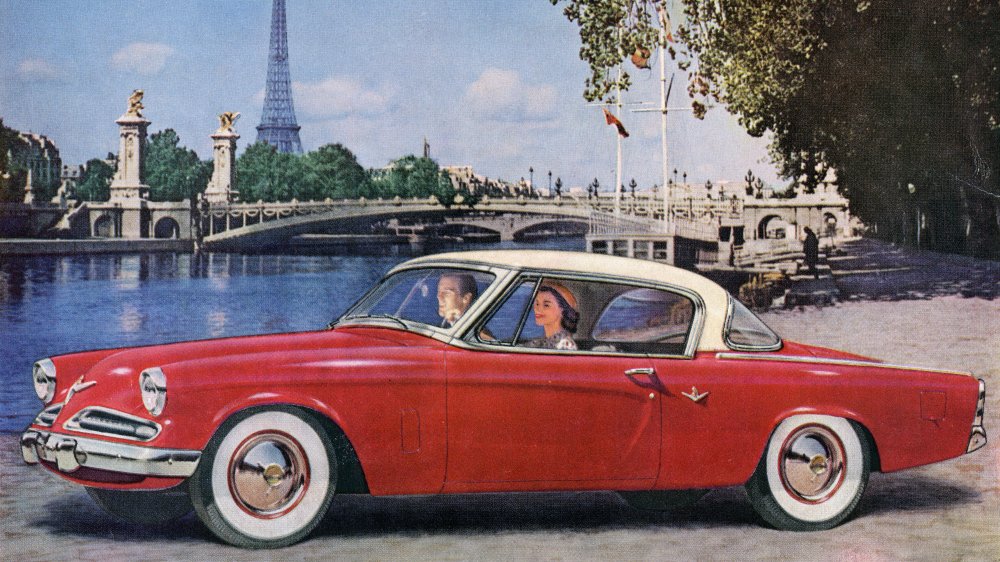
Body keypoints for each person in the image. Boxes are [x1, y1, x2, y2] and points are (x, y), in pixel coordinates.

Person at [524, 282, 579, 350]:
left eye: (546, 305)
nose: (537, 309)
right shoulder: (543, 341)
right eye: (537, 303)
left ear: (562, 309)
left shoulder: (565, 345)